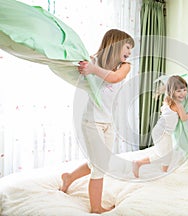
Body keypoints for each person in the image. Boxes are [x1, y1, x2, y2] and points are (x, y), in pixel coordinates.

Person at [60, 29, 134, 214]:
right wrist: (87, 68)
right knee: (100, 167)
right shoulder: (93, 61)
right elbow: (79, 73)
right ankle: (95, 208)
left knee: (100, 162)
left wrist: (93, 69)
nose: (129, 52)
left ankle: (69, 177)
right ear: (116, 44)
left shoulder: (125, 67)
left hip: (109, 124)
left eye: (131, 49)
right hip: (92, 123)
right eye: (127, 47)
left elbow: (115, 78)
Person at [132, 75, 188, 178]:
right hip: (163, 132)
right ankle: (138, 163)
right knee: (161, 155)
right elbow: (184, 118)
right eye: (178, 91)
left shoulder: (167, 99)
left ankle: (164, 172)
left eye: (184, 89)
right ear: (172, 92)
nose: (182, 93)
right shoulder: (178, 104)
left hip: (160, 130)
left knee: (167, 153)